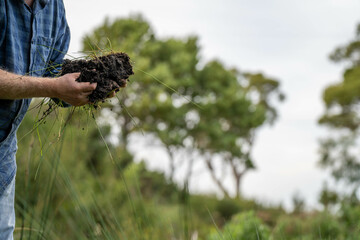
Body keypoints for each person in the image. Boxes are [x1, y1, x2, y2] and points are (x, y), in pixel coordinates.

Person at [0, 0, 98, 239]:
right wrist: (54, 87)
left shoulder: (53, 8)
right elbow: (52, 84)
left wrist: (94, 86)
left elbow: (52, 75)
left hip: (3, 158)